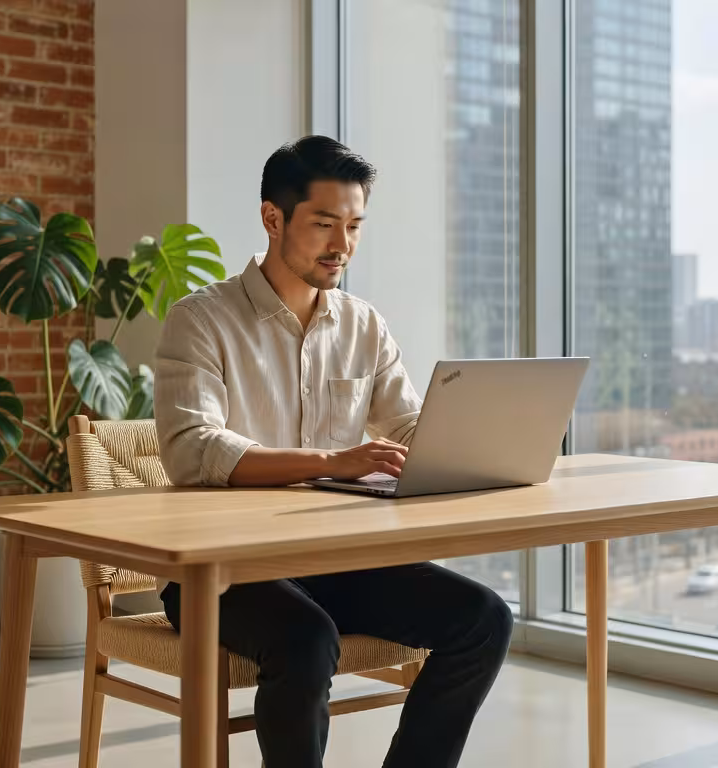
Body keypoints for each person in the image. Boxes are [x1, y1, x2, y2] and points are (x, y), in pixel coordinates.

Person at [153, 135, 513, 768]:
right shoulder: (200, 320)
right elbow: (193, 450)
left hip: (335, 562)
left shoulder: (363, 324)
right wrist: (328, 462)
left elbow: (405, 427)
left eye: (353, 226)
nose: (341, 244)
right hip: (221, 575)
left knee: (484, 618)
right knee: (304, 636)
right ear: (273, 218)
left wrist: (477, 439)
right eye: (324, 224)